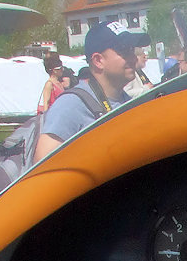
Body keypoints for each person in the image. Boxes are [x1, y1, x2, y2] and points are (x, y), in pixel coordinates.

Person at [33, 21, 149, 161]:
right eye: (124, 50)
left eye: (132, 50)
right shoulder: (70, 105)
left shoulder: (127, 102)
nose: (133, 57)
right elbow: (43, 169)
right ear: (98, 60)